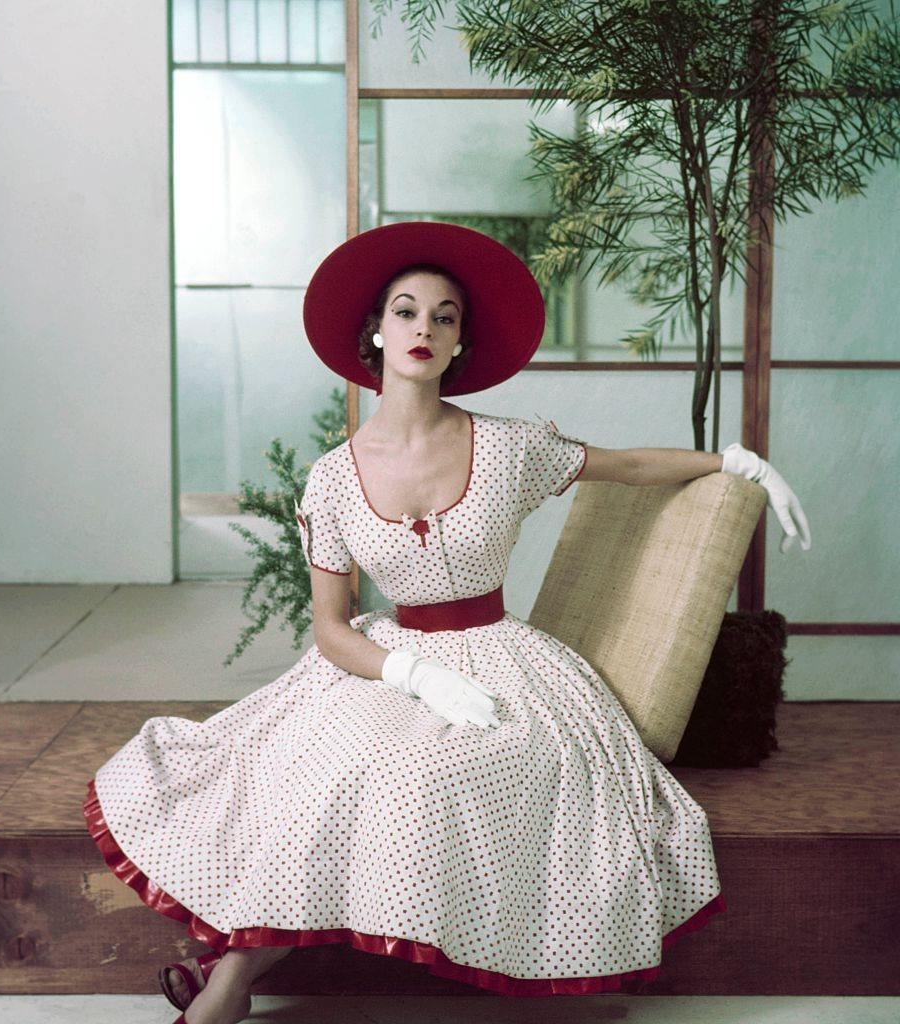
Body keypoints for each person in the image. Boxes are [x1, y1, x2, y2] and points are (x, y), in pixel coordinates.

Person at [82, 221, 811, 1024]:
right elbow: (331, 628)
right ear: (375, 331)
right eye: (405, 311)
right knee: (323, 773)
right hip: (386, 660)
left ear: (461, 342)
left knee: (417, 777)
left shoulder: (509, 447)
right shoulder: (330, 480)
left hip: (506, 661)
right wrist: (413, 674)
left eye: (444, 316)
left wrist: (734, 462)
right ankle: (232, 981)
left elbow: (629, 465)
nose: (423, 328)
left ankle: (232, 981)